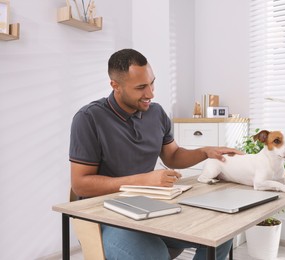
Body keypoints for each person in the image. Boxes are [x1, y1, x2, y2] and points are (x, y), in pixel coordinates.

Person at [69, 48, 243, 260]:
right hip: (103, 216)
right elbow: (80, 184)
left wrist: (206, 151)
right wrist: (144, 180)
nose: (150, 93)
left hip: (147, 205)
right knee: (156, 255)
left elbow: (173, 156)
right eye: (141, 87)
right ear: (115, 85)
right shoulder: (88, 118)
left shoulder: (156, 112)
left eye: (152, 83)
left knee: (221, 232)